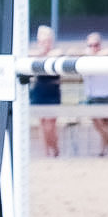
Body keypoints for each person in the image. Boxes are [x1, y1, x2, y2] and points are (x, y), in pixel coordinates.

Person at [80, 30, 108, 155]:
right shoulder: (84, 58)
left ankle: (103, 151)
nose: (93, 48)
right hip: (93, 94)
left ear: (100, 45)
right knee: (97, 122)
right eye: (90, 45)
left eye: (96, 45)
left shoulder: (106, 55)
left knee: (105, 124)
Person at [29, 25, 62, 156]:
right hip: (39, 90)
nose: (44, 44)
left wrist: (43, 53)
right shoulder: (34, 54)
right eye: (41, 41)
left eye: (46, 41)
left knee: (50, 125)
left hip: (52, 90)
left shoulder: (56, 53)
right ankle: (46, 152)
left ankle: (55, 148)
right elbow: (32, 54)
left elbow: (55, 54)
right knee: (42, 123)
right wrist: (40, 52)